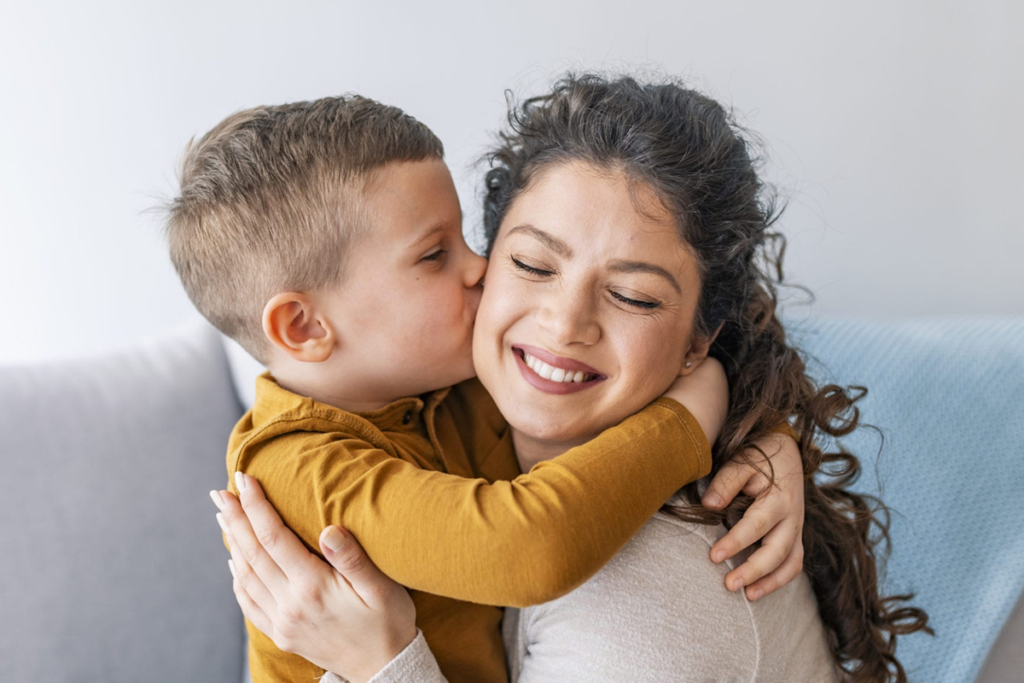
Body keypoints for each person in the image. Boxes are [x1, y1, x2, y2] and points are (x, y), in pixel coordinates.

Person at [215, 74, 932, 682]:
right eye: (529, 264)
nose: (562, 325)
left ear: (698, 340)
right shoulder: (387, 408)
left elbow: (531, 544)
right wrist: (715, 406)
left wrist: (380, 660)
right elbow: (523, 539)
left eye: (635, 295)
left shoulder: (646, 610)